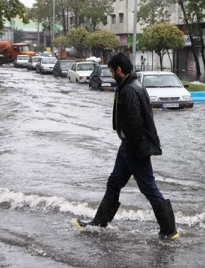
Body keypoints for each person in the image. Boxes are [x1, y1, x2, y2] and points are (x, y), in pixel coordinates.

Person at [76, 52, 178, 239]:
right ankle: (99, 223)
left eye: (112, 71)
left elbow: (135, 124)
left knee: (148, 187)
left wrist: (132, 151)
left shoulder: (130, 90)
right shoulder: (129, 85)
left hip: (135, 148)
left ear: (119, 70)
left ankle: (169, 230)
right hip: (129, 147)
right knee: (114, 183)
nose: (111, 75)